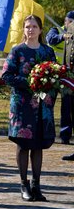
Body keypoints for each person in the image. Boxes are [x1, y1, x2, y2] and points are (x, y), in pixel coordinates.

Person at [2, 15, 56, 201]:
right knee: (23, 144)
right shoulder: (17, 51)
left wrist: (48, 86)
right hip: (22, 104)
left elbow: (56, 76)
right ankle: (23, 184)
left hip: (43, 105)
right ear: (23, 30)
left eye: (34, 26)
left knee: (38, 145)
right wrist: (31, 82)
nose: (31, 30)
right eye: (27, 26)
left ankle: (36, 185)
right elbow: (7, 75)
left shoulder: (48, 52)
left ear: (41, 30)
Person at [47, 11, 74, 144]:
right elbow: (50, 39)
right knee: (48, 104)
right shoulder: (55, 30)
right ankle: (47, 133)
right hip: (52, 75)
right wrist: (63, 37)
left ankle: (65, 136)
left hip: (67, 77)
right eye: (70, 22)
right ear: (65, 21)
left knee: (66, 107)